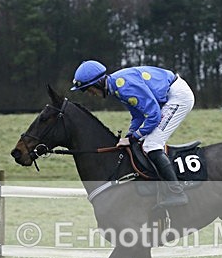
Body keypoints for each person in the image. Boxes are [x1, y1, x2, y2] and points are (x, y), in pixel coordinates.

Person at [70, 60, 193, 207]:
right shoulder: (117, 86)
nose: (90, 94)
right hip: (170, 95)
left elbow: (153, 115)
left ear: (98, 83)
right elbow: (138, 116)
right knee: (144, 142)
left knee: (151, 144)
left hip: (178, 97)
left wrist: (134, 137)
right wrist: (129, 136)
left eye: (88, 89)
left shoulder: (124, 86)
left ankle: (177, 193)